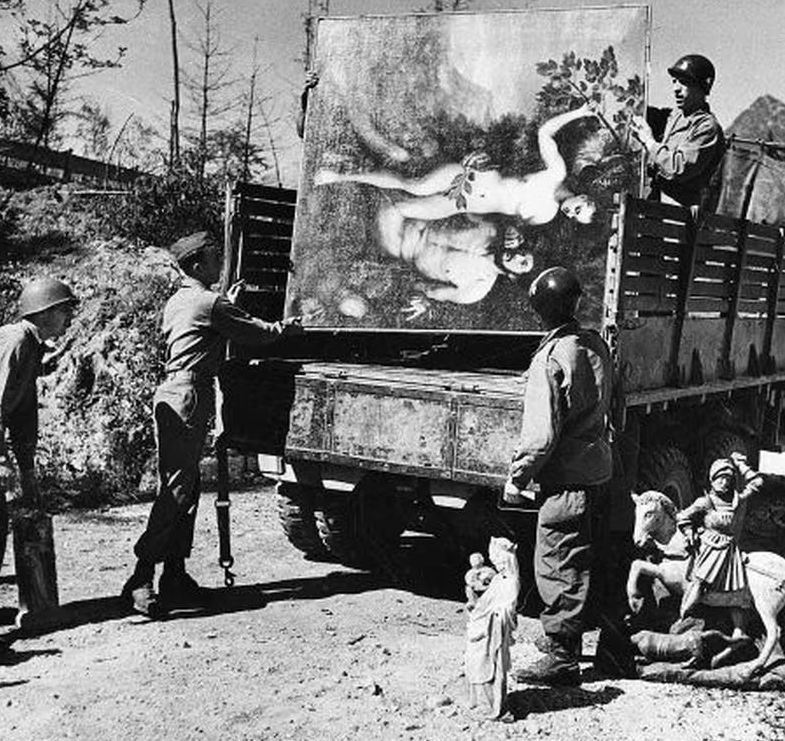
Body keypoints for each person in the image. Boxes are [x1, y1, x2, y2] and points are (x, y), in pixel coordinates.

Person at [120, 231, 302, 617]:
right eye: (215, 258)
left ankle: (174, 576)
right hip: (189, 394)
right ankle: (141, 576)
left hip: (178, 391)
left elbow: (208, 324)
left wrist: (225, 306)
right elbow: (254, 331)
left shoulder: (181, 300)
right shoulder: (208, 302)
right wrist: (287, 329)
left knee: (186, 487)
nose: (221, 264)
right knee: (177, 490)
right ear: (198, 265)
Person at [502, 267, 614, 686]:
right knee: (586, 558)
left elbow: (541, 436)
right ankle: (585, 644)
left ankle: (563, 657)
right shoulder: (595, 346)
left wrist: (518, 477)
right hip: (598, 473)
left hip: (565, 481)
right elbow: (612, 406)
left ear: (539, 310)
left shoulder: (550, 359)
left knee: (557, 562)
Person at [314, 104, 600, 227]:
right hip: (470, 180)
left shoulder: (546, 216)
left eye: (576, 217)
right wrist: (579, 113)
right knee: (412, 186)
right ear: (582, 197)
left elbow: (502, 218)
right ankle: (339, 175)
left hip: (461, 207)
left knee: (404, 209)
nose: (571, 213)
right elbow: (544, 133)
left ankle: (351, 178)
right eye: (578, 209)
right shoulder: (555, 174)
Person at [0, 278, 78, 570]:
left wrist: (27, 470)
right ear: (44, 312)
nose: (70, 317)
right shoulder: (16, 340)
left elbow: (22, 414)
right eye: (64, 310)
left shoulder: (32, 347)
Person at [371, 202, 535, 321]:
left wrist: (423, 301)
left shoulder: (476, 288)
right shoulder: (493, 230)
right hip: (415, 213)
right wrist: (511, 226)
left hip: (400, 245)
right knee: (393, 201)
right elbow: (469, 204)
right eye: (522, 252)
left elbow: (425, 290)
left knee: (389, 207)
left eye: (523, 263)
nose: (517, 256)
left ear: (514, 277)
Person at [675, 452, 763, 625]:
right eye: (719, 479)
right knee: (699, 584)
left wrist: (740, 465)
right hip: (709, 547)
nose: (723, 483)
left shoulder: (736, 500)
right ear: (712, 480)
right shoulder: (705, 502)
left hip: (730, 549)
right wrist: (689, 532)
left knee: (739, 590)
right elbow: (682, 517)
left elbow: (757, 483)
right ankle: (682, 617)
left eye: (727, 479)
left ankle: (734, 626)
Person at [630, 53, 726, 209]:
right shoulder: (674, 116)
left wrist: (649, 142)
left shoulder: (707, 127)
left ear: (702, 86)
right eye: (674, 81)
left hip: (677, 215)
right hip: (653, 206)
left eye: (684, 82)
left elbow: (678, 167)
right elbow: (643, 113)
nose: (676, 88)